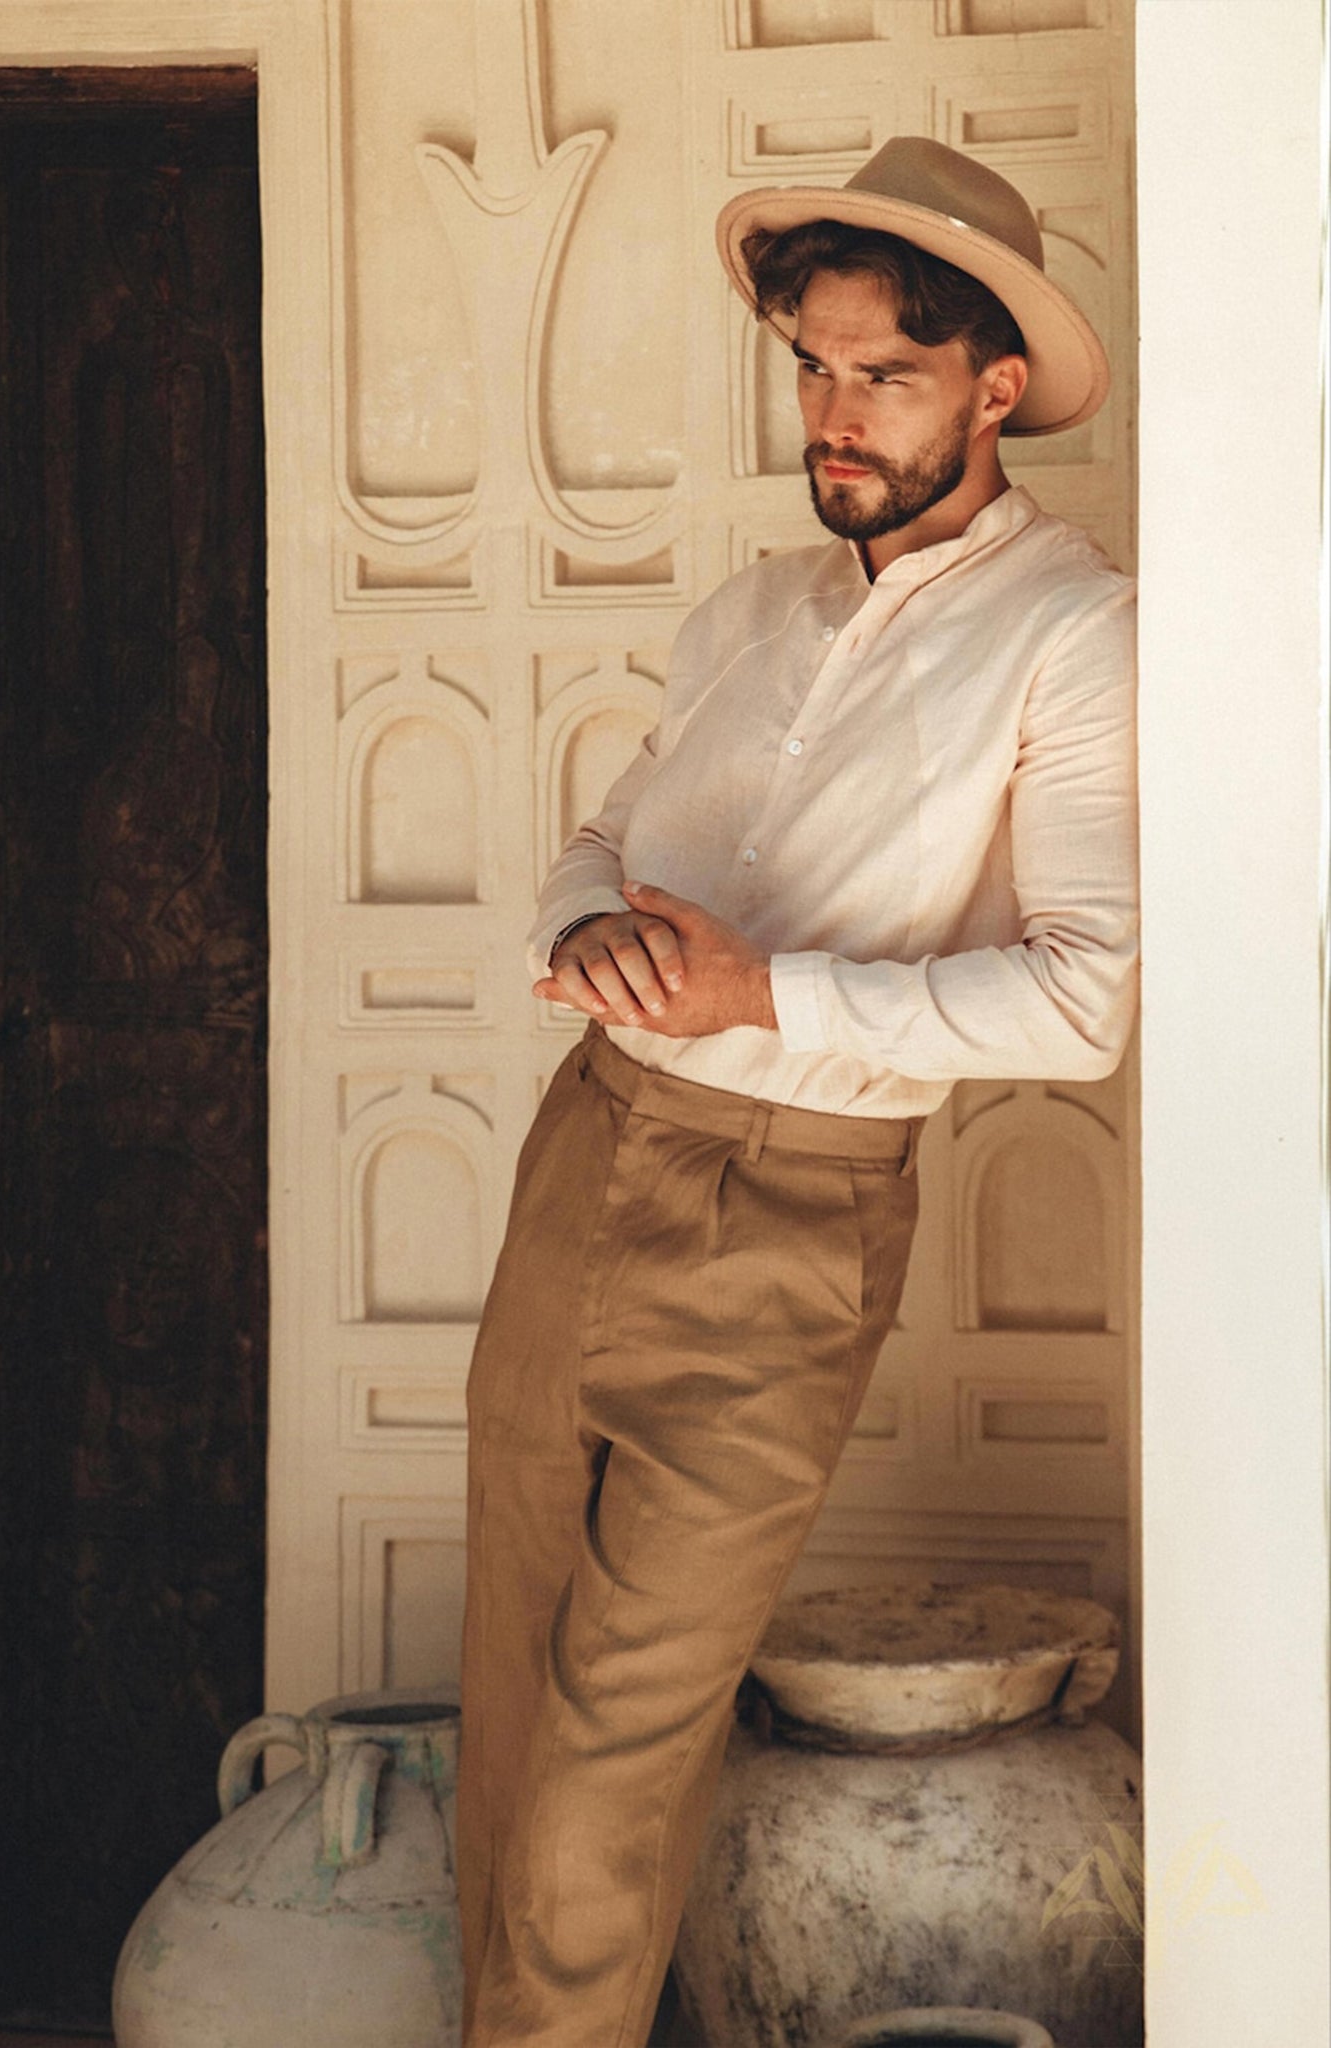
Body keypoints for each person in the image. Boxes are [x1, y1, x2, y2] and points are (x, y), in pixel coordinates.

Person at [456, 135, 1138, 2048]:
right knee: (508, 1687)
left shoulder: (1075, 634)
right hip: (585, 1148)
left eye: (885, 377)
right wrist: (588, 917)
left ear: (996, 388)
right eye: (815, 368)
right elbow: (608, 828)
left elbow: (1081, 1001)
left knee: (620, 1739)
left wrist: (767, 987)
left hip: (796, 1208)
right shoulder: (748, 609)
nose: (834, 416)